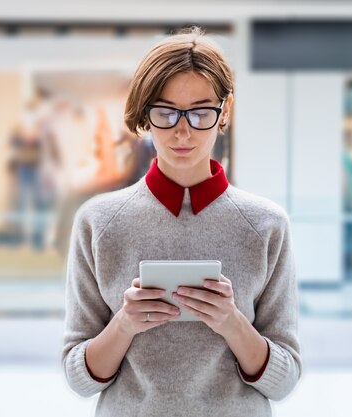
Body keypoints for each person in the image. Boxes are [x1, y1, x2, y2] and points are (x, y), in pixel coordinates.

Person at [61, 27, 302, 417]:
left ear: (224, 112)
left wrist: (231, 322)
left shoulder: (267, 225)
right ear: (145, 115)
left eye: (201, 112)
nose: (183, 130)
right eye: (166, 112)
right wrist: (125, 323)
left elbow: (285, 379)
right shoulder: (98, 222)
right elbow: (80, 378)